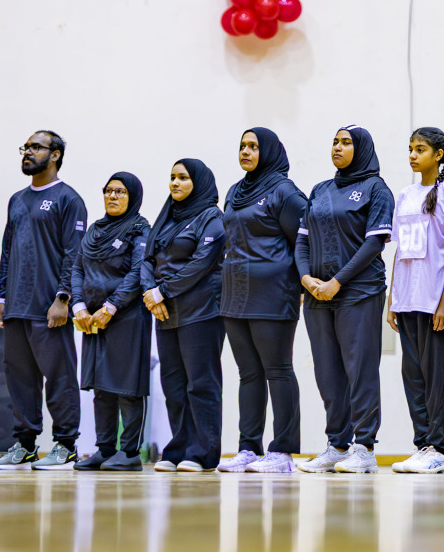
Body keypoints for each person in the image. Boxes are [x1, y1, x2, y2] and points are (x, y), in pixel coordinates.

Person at [296, 126, 395, 473]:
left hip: (360, 291)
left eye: (346, 142)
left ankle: (365, 449)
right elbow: (302, 240)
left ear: (363, 147)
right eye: (334, 141)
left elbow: (374, 244)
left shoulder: (376, 189)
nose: (337, 147)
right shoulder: (320, 190)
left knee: (360, 370)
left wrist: (337, 281)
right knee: (327, 371)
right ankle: (337, 445)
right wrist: (306, 278)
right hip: (317, 295)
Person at [0, 132, 86, 469]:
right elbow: (7, 250)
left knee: (59, 377)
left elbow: (74, 255)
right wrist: (1, 295)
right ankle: (26, 445)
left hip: (49, 310)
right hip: (16, 305)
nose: (28, 153)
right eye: (25, 148)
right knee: (19, 378)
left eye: (35, 147)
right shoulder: (16, 199)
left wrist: (63, 298)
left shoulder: (68, 199)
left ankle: (65, 445)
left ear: (55, 155)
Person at [217, 128, 308, 475]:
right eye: (242, 146)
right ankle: (248, 448)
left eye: (253, 147)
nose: (246, 151)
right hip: (235, 292)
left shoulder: (284, 192)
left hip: (274, 293)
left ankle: (282, 452)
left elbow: (303, 239)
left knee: (278, 370)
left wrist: (301, 285)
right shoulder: (235, 192)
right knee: (248, 373)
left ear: (268, 151)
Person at [143, 160, 226, 473]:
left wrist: (161, 291)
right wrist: (151, 293)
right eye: (172, 178)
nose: (175, 183)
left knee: (201, 384)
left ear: (199, 182)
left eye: (183, 178)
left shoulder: (212, 217)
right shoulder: (166, 217)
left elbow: (203, 262)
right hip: (165, 312)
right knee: (174, 384)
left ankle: (203, 451)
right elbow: (146, 259)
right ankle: (178, 448)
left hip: (201, 311)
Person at [388, 128, 444, 474]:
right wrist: (392, 299)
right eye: (411, 149)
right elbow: (400, 249)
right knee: (412, 374)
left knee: (435, 376)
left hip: (434, 299)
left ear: (439, 155)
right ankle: (422, 444)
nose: (413, 155)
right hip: (407, 298)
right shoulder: (404, 194)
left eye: (421, 149)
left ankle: (438, 445)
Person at [70, 173, 151, 471]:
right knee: (101, 387)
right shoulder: (94, 230)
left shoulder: (140, 228)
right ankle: (104, 450)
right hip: (92, 319)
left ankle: (129, 453)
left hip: (126, 317)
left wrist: (111, 306)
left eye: (120, 192)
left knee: (127, 387)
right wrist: (78, 306)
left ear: (133, 196)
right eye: (108, 191)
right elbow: (77, 269)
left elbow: (137, 271)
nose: (112, 196)